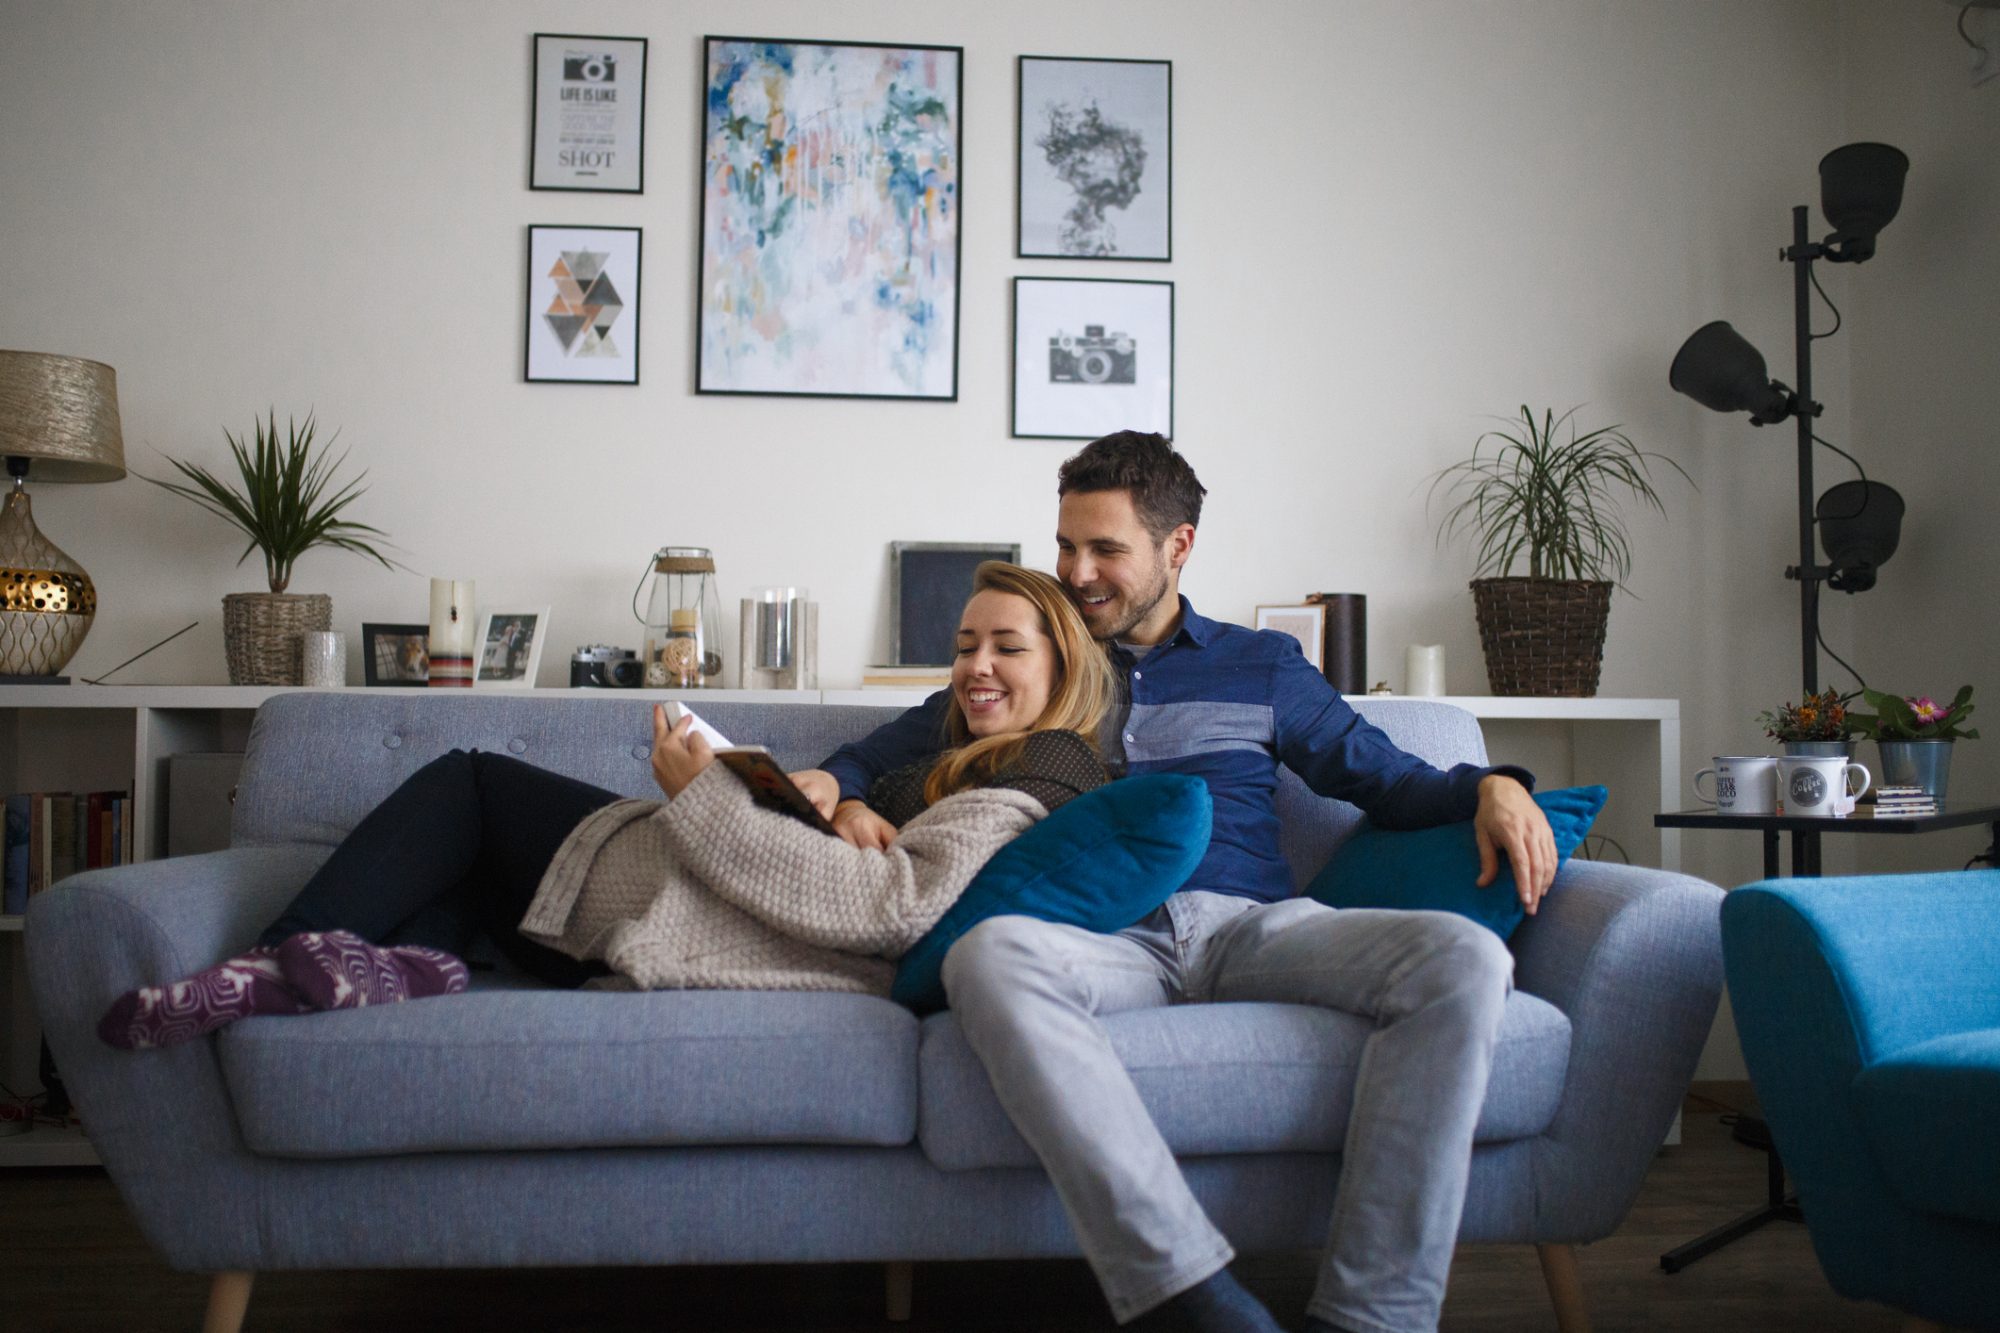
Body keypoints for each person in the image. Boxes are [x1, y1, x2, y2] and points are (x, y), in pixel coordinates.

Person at [789, 432, 1559, 1333]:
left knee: (1464, 956)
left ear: (1177, 547)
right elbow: (862, 757)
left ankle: (1373, 1318)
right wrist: (837, 795)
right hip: (1102, 939)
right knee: (989, 956)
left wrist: (1497, 783)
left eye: (1105, 549)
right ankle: (1186, 1295)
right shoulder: (1036, 657)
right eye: (1066, 545)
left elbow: (1388, 780)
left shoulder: (1262, 666)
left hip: (1250, 929)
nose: (1077, 571)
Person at [99, 564, 1114, 1051]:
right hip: (690, 904)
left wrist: (704, 794)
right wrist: (844, 803)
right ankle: (396, 965)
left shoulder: (1049, 765)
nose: (974, 667)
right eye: (965, 644)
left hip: (701, 905)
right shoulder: (961, 746)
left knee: (469, 782)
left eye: (1005, 648)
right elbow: (890, 858)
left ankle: (273, 959)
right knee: (468, 884)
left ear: (1061, 661)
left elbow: (888, 909)